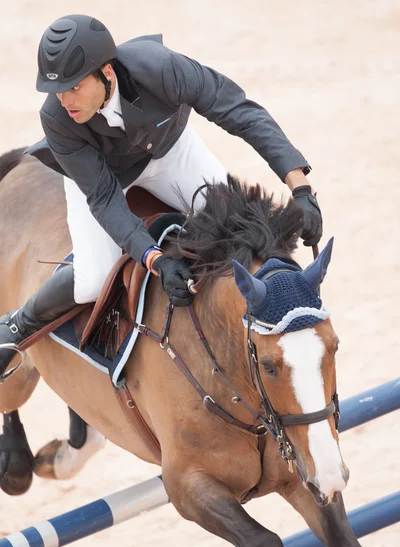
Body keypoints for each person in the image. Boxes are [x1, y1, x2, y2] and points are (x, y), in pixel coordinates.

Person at [0, 14, 322, 380]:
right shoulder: (57, 117)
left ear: (107, 73)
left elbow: (240, 112)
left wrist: (300, 188)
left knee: (239, 226)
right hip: (104, 176)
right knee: (92, 279)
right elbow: (105, 198)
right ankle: (16, 324)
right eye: (57, 89)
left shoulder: (162, 68)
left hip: (169, 152)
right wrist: (154, 260)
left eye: (74, 87)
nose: (65, 99)